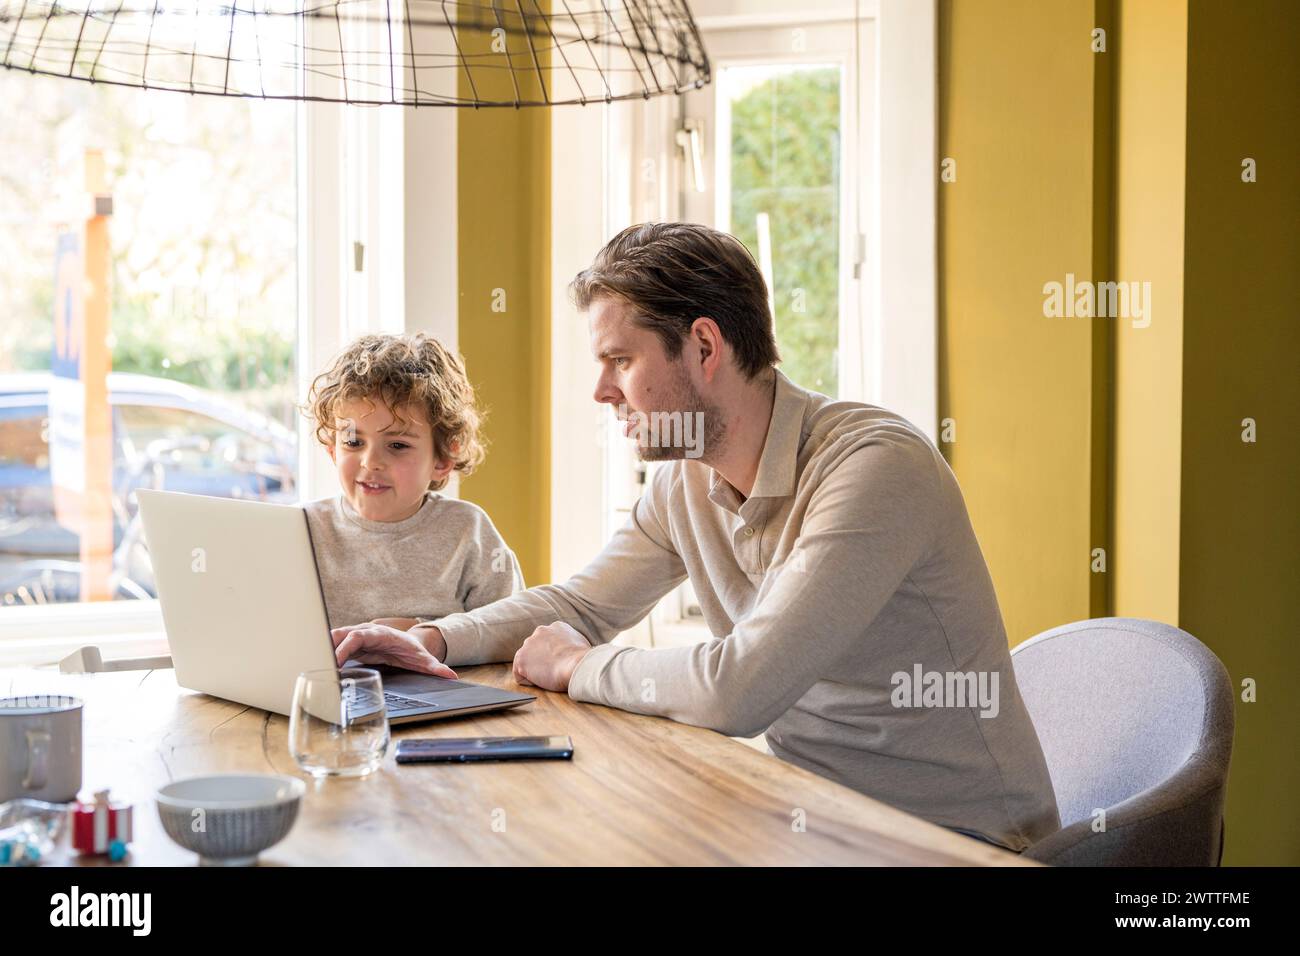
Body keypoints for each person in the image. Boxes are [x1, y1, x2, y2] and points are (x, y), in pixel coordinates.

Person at [331, 223, 1060, 851]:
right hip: (813, 820)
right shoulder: (686, 481)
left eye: (620, 360)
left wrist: (577, 667)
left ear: (703, 347)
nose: (601, 391)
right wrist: (433, 640)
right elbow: (581, 605)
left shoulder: (874, 468)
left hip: (955, 842)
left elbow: (737, 689)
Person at [304, 332, 523, 679]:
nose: (370, 461)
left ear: (442, 459)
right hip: (327, 699)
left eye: (397, 446)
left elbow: (514, 630)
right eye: (353, 441)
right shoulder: (304, 529)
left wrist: (421, 630)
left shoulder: (468, 531)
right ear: (333, 449)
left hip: (444, 699)